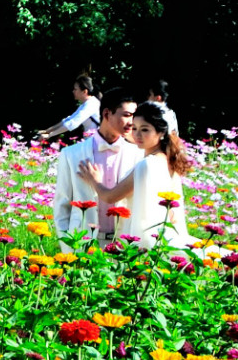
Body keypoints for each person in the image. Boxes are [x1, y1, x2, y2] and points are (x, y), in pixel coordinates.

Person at [81, 101, 192, 250]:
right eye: (134, 128)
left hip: (143, 238)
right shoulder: (169, 161)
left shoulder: (147, 164)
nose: (137, 134)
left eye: (145, 130)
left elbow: (110, 196)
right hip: (162, 237)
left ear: (161, 133)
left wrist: (95, 180)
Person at [51, 89, 137, 241]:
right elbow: (61, 208)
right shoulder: (71, 154)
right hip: (84, 246)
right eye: (126, 115)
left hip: (125, 249)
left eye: (134, 116)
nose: (132, 122)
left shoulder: (138, 155)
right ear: (106, 114)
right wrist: (69, 248)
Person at [36, 74, 98, 142]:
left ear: (84, 91)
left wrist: (49, 135)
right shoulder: (86, 104)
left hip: (97, 144)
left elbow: (72, 123)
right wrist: (47, 131)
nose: (73, 91)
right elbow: (68, 120)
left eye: (75, 89)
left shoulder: (90, 105)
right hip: (92, 142)